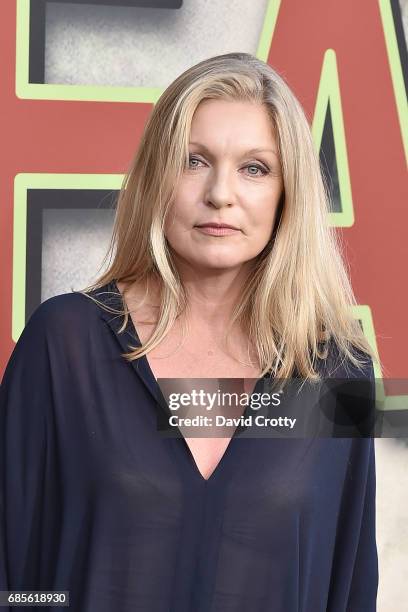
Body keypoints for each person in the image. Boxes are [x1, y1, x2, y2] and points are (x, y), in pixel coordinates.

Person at [0, 52, 380, 611]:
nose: (220, 194)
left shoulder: (335, 371)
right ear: (157, 176)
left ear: (287, 193)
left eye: (255, 168)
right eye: (194, 160)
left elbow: (346, 584)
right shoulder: (66, 344)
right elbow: (15, 577)